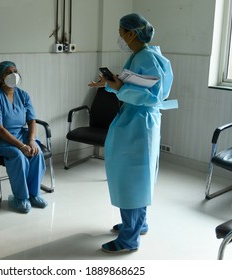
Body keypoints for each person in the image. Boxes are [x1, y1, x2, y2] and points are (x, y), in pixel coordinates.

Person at [89, 13, 174, 253]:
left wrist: (118, 88)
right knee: (137, 178)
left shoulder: (146, 57)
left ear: (131, 33)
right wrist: (109, 84)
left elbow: (152, 96)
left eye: (121, 32)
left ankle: (129, 239)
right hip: (135, 120)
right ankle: (138, 224)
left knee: (132, 179)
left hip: (138, 123)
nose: (119, 37)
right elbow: (132, 86)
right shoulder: (142, 55)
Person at [0, 61, 47, 214]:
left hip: (21, 134)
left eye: (15, 71)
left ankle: (33, 194)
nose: (13, 75)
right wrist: (21, 146)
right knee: (19, 156)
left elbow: (31, 121)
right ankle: (20, 198)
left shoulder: (23, 95)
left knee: (37, 153)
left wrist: (30, 141)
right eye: (8, 72)